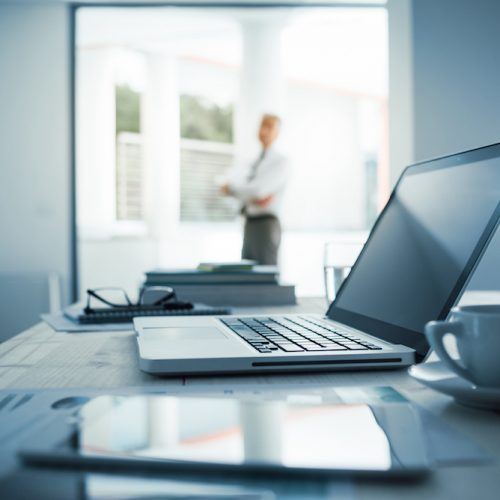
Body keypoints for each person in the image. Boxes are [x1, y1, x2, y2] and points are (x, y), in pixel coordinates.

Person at [221, 114, 289, 265]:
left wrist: (233, 190)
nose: (264, 131)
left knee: (264, 276)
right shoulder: (251, 162)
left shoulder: (280, 162)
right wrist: (248, 194)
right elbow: (235, 187)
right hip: (249, 223)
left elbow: (258, 190)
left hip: (266, 225)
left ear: (277, 133)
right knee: (247, 274)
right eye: (262, 126)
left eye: (269, 127)